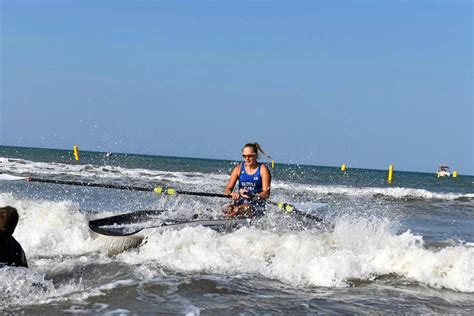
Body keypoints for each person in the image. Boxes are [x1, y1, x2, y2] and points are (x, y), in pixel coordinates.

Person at [224, 143, 272, 218]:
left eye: (250, 156)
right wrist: (231, 194)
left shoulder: (263, 169)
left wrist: (252, 195)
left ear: (256, 155)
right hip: (241, 201)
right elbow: (227, 189)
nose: (247, 158)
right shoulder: (238, 169)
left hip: (256, 205)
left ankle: (226, 221)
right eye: (244, 156)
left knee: (238, 209)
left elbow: (266, 193)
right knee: (227, 208)